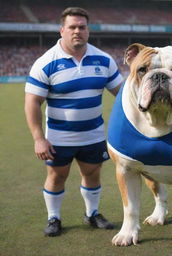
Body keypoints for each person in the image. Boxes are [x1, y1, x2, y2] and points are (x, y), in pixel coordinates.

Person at [24, 7, 123, 237]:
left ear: (88, 30)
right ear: (62, 30)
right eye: (72, 27)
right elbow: (32, 103)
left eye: (82, 27)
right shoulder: (46, 62)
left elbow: (122, 95)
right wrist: (39, 138)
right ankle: (54, 218)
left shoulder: (104, 59)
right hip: (60, 136)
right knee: (57, 176)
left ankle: (92, 213)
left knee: (92, 173)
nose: (77, 31)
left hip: (93, 134)